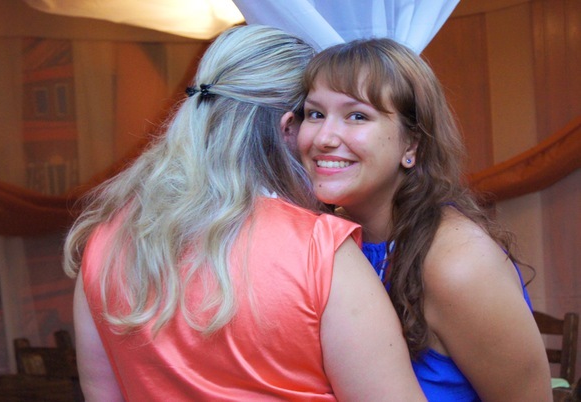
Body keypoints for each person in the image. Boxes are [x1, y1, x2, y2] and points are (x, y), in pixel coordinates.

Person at [64, 25, 425, 401]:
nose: (324, 137)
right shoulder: (319, 251)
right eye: (315, 115)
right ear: (289, 128)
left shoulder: (104, 243)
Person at [297, 37, 553, 401]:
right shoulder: (326, 241)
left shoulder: (459, 263)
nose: (324, 137)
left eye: (357, 116)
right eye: (315, 114)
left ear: (411, 144)